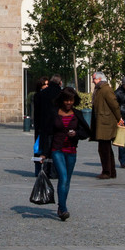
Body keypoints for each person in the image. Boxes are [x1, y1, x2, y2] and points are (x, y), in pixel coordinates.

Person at [40, 87, 89, 221]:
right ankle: (63, 208)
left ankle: (61, 206)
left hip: (71, 150)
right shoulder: (54, 113)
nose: (68, 103)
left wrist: (76, 134)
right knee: (63, 177)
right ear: (62, 100)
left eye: (71, 100)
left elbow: (86, 132)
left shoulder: (77, 114)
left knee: (67, 180)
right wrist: (44, 153)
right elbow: (47, 134)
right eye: (66, 100)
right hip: (57, 150)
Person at [90, 72, 120, 179]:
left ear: (99, 79)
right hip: (102, 122)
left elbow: (114, 105)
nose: (93, 81)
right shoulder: (100, 89)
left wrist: (119, 118)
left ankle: (107, 172)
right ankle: (110, 171)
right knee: (105, 148)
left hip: (106, 123)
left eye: (94, 79)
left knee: (104, 149)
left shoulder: (105, 89)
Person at [33, 75, 62, 175]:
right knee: (43, 147)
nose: (45, 86)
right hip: (50, 125)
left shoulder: (42, 95)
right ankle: (45, 170)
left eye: (47, 84)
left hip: (44, 125)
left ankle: (43, 170)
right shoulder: (59, 93)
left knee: (44, 148)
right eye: (43, 84)